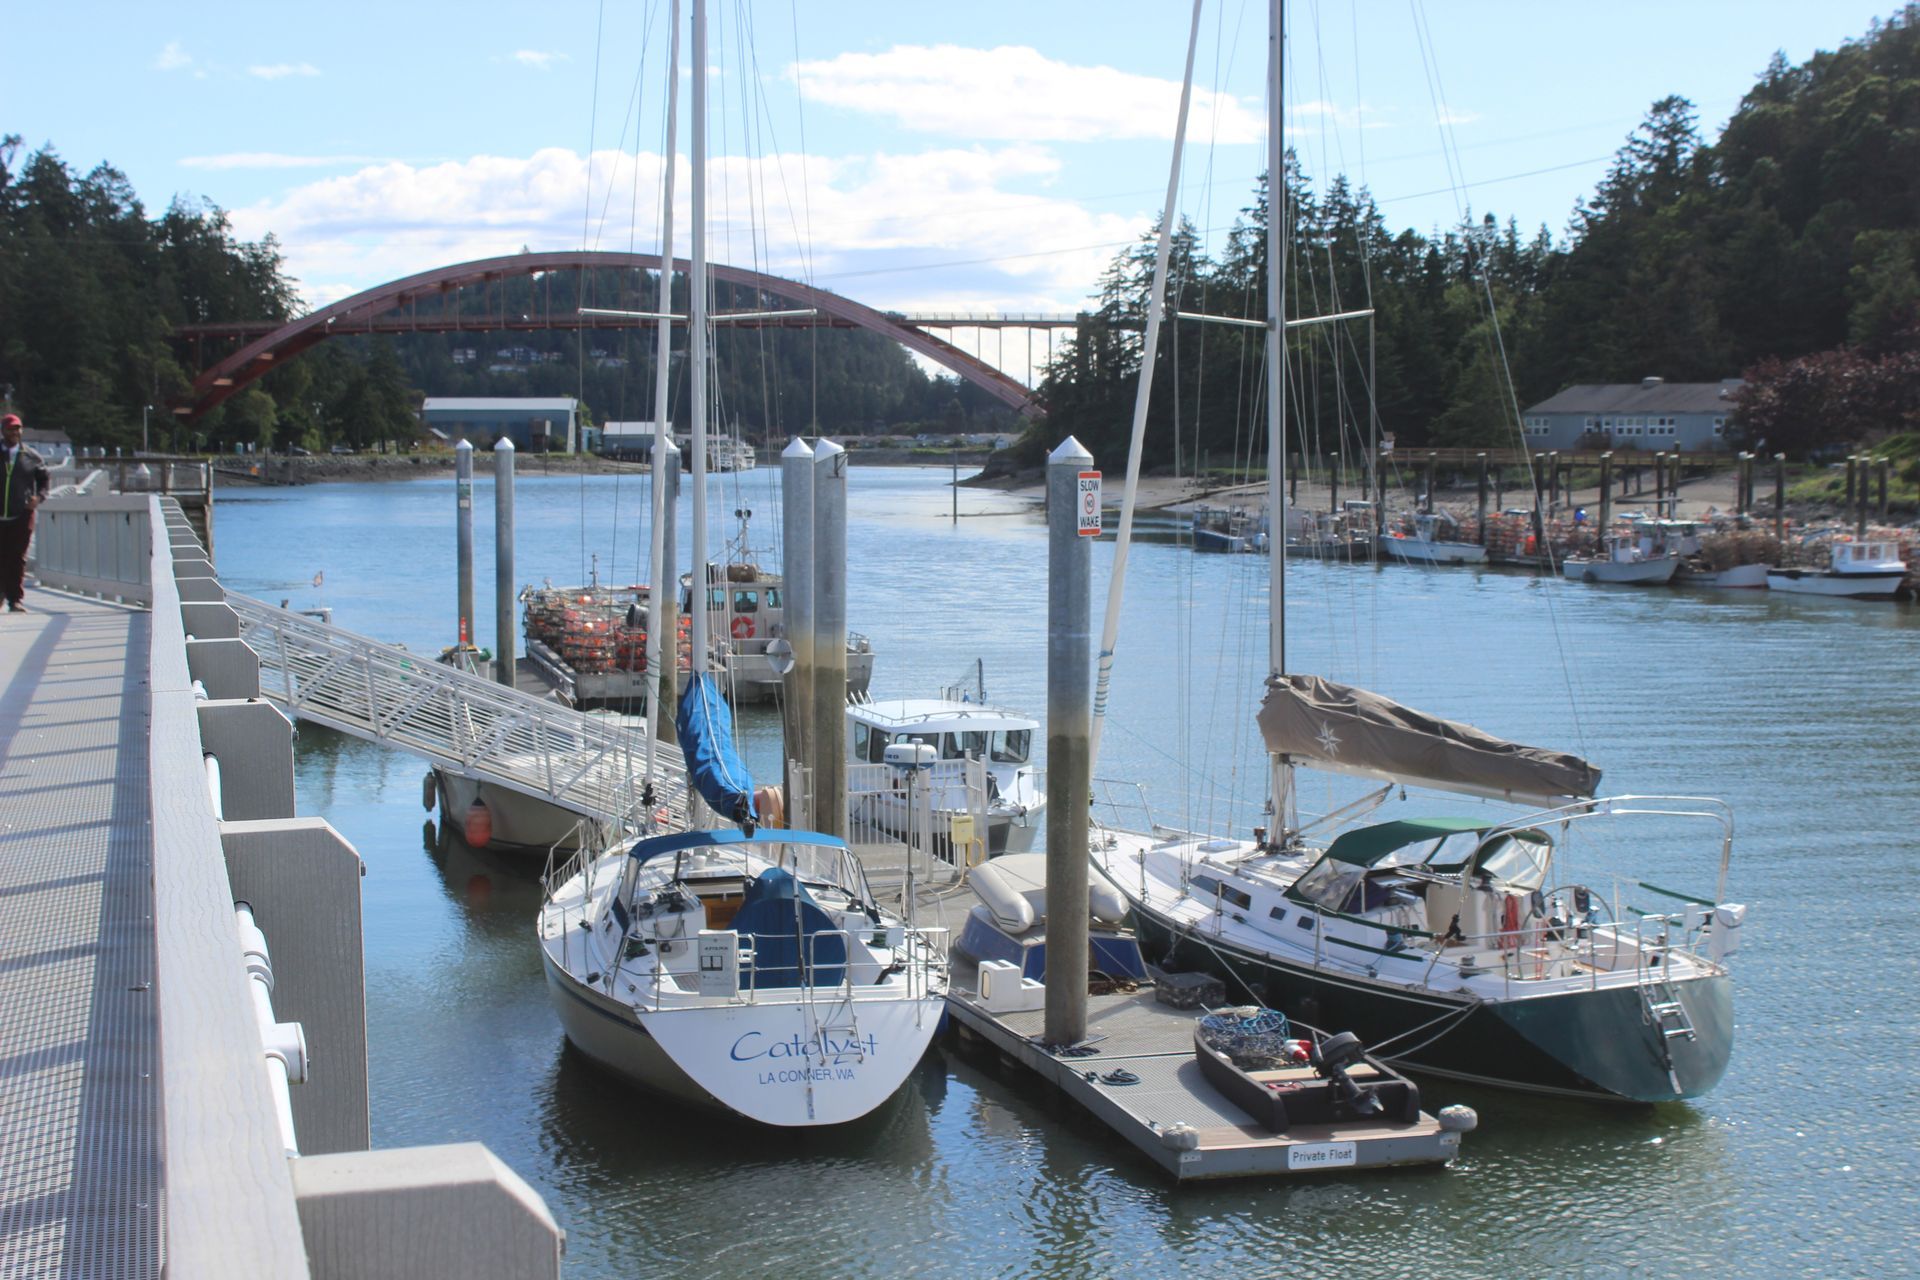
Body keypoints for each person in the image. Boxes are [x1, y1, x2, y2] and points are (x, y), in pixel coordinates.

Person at [1, 413, 51, 612]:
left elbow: (44, 481)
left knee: (17, 557)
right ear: (3, 431)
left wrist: (38, 498)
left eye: (18, 428)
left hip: (22, 514)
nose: (15, 432)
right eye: (11, 429)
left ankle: (15, 600)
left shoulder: (32, 457)